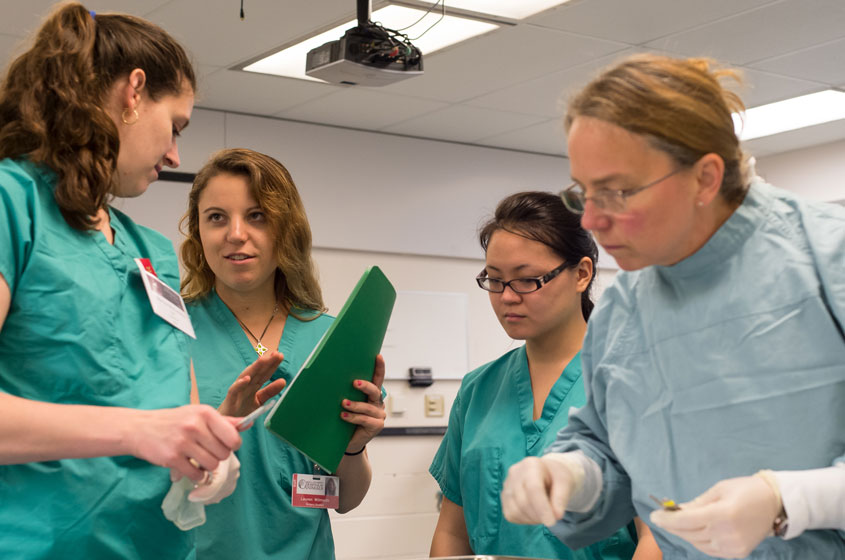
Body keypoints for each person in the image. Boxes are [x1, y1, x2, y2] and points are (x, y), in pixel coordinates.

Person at [500, 54, 845, 558]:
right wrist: (570, 475)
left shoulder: (826, 260)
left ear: (705, 178)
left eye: (616, 192)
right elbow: (611, 451)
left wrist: (791, 500)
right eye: (584, 192)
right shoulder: (624, 310)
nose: (591, 221)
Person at [0, 4, 281, 558]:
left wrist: (210, 446)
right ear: (133, 93)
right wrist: (136, 431)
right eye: (175, 126)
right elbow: (144, 424)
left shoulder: (151, 253)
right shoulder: (14, 204)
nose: (176, 154)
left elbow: (175, 410)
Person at [180, 148, 387, 559]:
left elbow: (344, 498)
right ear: (199, 231)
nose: (235, 233)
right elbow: (147, 484)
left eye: (256, 216)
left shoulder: (330, 338)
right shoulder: (169, 332)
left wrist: (354, 446)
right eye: (216, 217)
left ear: (285, 228)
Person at [429, 191, 660, 558]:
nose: (507, 297)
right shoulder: (478, 391)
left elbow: (658, 537)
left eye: (527, 280)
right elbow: (453, 535)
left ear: (581, 274)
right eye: (494, 279)